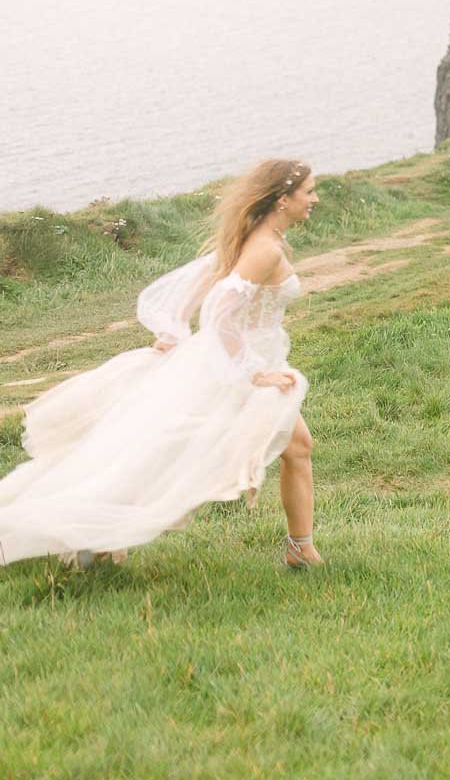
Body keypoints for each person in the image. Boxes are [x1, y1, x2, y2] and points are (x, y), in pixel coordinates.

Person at [0, 159, 323, 570]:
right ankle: (90, 532)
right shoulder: (265, 249)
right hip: (235, 370)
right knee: (164, 455)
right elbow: (222, 308)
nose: (314, 199)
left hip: (233, 361)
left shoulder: (256, 238)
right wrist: (252, 373)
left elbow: (210, 277)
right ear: (283, 199)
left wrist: (174, 331)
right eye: (309, 191)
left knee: (289, 447)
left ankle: (301, 549)